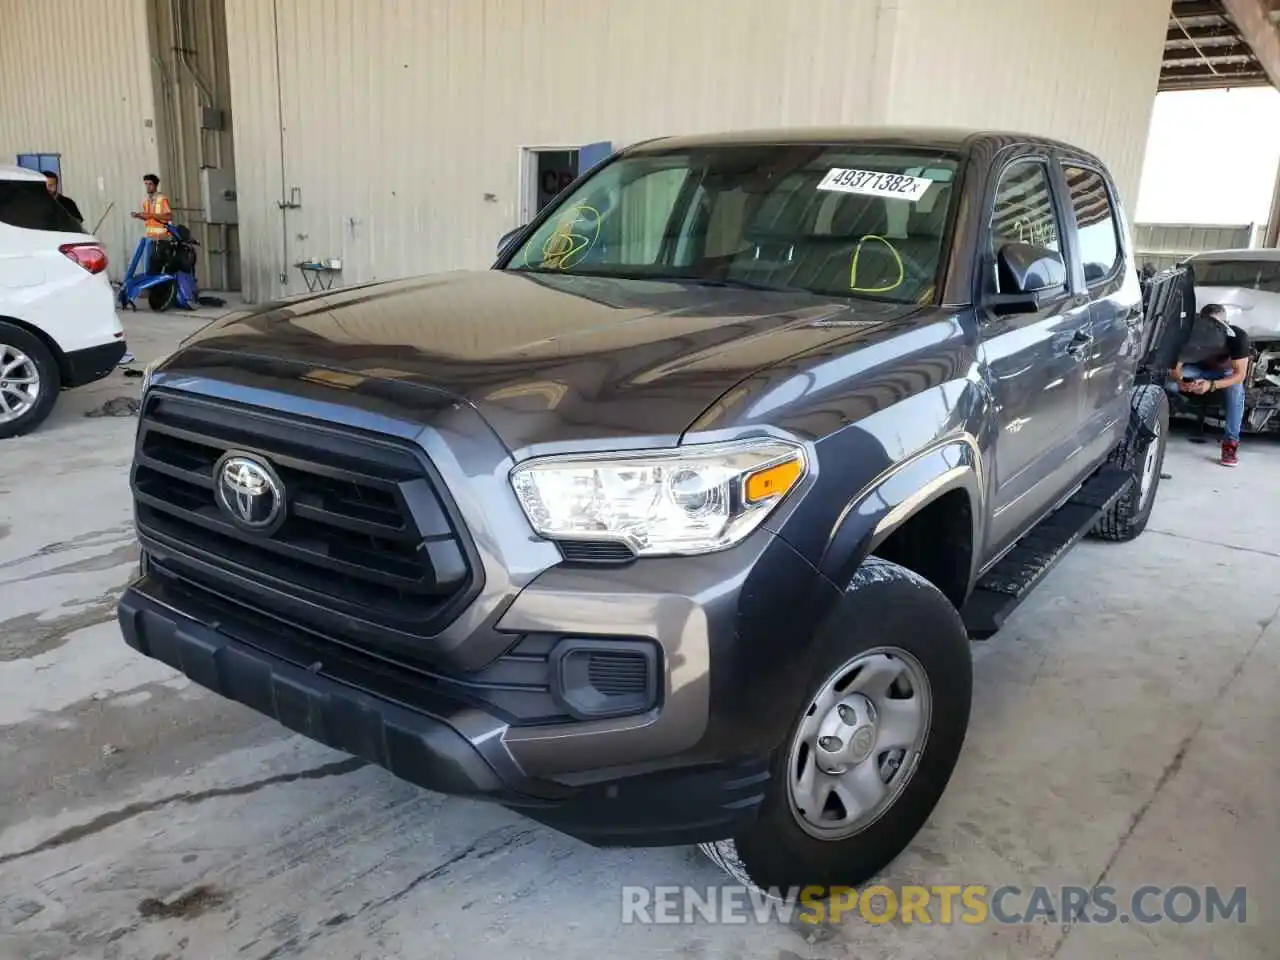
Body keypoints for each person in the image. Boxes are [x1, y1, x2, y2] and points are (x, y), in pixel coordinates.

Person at [1166, 303, 1250, 467]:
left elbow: (1239, 375)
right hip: (1196, 371)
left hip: (1224, 375)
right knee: (1166, 383)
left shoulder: (1238, 337)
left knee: (1236, 389)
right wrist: (1181, 381)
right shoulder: (1188, 335)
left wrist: (1211, 385)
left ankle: (1230, 443)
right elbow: (1175, 368)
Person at [132, 173, 172, 241]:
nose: (147, 186)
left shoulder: (162, 199)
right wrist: (139, 216)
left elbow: (169, 217)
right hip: (150, 237)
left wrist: (151, 215)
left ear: (156, 185)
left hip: (161, 238)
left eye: (150, 184)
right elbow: (149, 218)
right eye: (146, 184)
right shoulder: (146, 202)